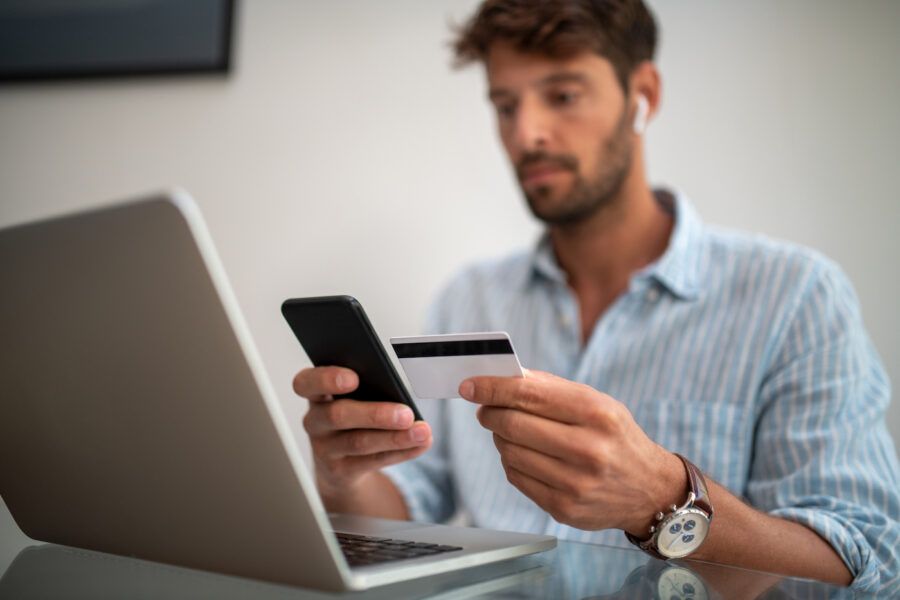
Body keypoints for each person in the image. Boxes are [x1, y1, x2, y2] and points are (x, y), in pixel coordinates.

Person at [292, 0, 900, 591]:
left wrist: (663, 498)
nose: (526, 133)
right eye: (505, 106)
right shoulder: (467, 298)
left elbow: (870, 561)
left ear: (645, 95)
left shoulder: (794, 298)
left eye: (562, 95)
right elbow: (409, 509)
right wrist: (342, 474)